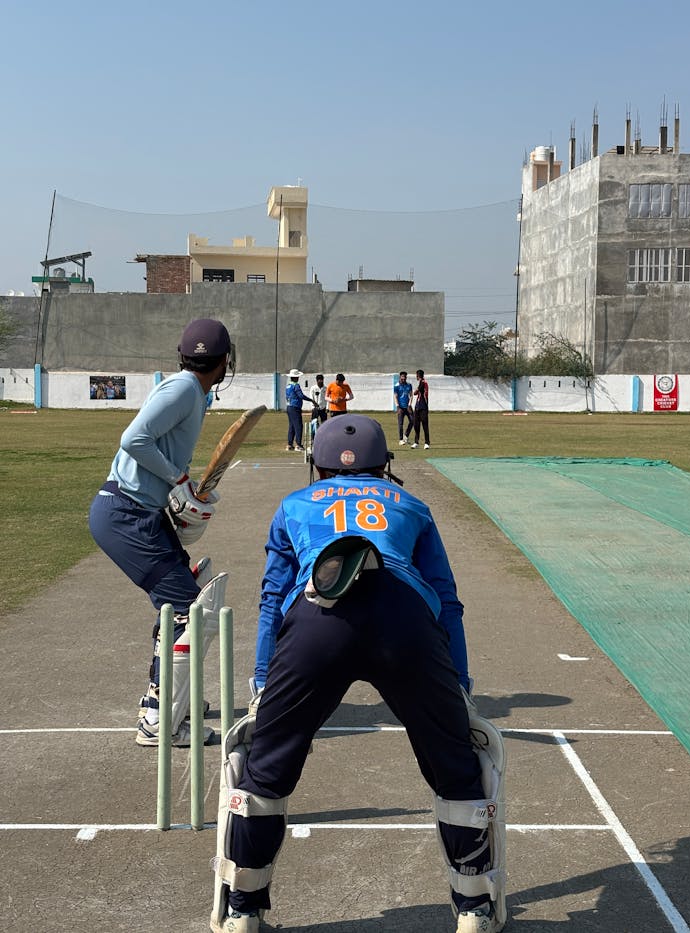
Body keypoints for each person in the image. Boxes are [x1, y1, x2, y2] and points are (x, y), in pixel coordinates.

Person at [209, 415, 506, 933]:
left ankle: (243, 910)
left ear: (317, 464)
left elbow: (273, 599)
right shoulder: (413, 505)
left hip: (317, 618)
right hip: (404, 616)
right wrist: (460, 683)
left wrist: (262, 679)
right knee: (455, 761)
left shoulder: (294, 505)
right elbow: (449, 602)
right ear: (384, 465)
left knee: (267, 763)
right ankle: (474, 909)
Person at [88, 318, 233, 747]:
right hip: (124, 514)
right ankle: (158, 719)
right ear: (225, 361)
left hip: (140, 513)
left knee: (188, 592)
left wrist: (180, 493)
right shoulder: (185, 388)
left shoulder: (190, 390)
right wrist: (176, 479)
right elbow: (133, 438)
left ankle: (175, 696)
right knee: (186, 608)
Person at [285, 369, 313, 451]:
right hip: (295, 407)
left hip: (289, 407)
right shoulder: (296, 385)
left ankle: (289, 444)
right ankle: (298, 445)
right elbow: (301, 395)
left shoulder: (288, 385)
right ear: (296, 377)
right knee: (298, 426)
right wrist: (311, 400)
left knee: (292, 426)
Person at [393, 370, 414, 444]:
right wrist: (397, 407)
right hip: (400, 407)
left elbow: (411, 395)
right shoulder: (396, 386)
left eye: (404, 378)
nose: (403, 380)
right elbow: (395, 396)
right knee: (400, 424)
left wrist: (409, 405)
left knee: (413, 421)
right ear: (400, 377)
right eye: (402, 378)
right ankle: (401, 440)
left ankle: (406, 436)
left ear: (406, 378)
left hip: (408, 407)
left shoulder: (409, 385)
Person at [412, 368, 430, 449]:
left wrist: (416, 391)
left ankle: (427, 443)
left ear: (418, 375)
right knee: (416, 425)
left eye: (416, 375)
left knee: (425, 425)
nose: (416, 376)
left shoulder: (423, 382)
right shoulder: (420, 383)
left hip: (423, 407)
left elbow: (417, 392)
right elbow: (416, 393)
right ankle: (416, 442)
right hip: (417, 406)